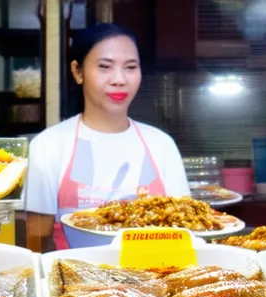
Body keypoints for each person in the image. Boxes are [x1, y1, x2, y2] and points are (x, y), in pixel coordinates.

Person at [23, 24, 190, 250]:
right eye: (105, 67)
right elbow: (38, 240)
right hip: (76, 281)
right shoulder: (49, 145)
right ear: (77, 71)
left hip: (154, 278)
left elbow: (185, 231)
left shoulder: (162, 145)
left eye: (130, 67)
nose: (119, 79)